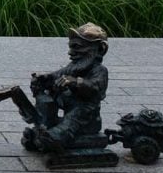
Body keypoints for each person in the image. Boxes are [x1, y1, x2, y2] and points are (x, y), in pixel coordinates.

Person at [26, 22, 109, 151]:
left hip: (86, 112)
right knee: (47, 99)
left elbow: (95, 88)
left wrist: (76, 82)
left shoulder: (99, 70)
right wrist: (45, 79)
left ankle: (59, 135)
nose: (71, 52)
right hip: (68, 103)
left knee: (78, 112)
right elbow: (57, 75)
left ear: (100, 49)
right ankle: (44, 124)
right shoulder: (74, 67)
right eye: (71, 47)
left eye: (77, 47)